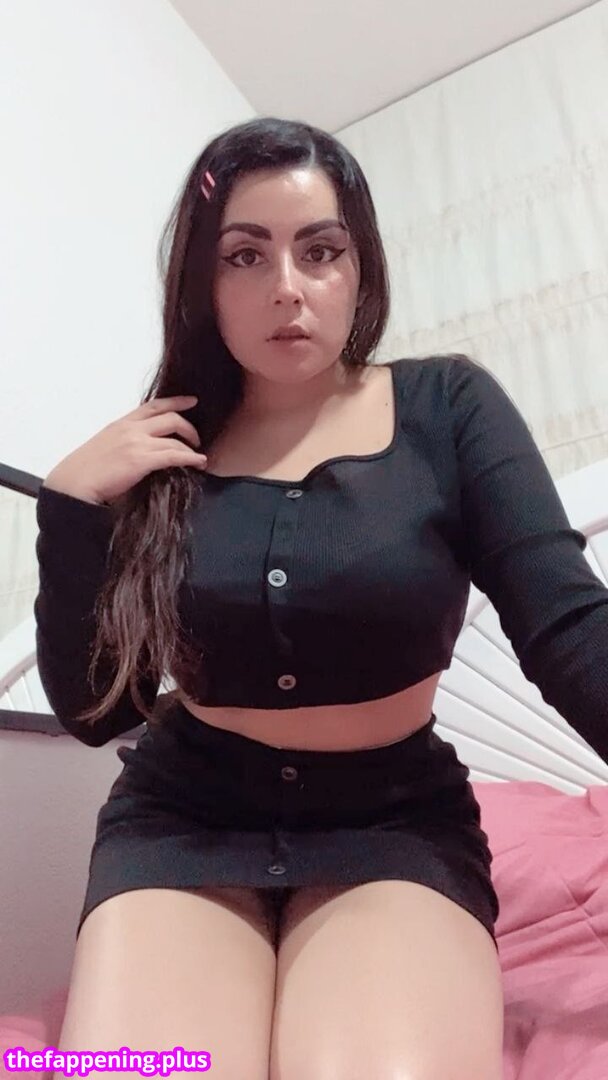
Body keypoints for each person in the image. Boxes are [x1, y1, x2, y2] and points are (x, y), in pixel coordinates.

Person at [34, 117, 608, 1079]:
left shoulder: (447, 410)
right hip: (183, 819)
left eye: (319, 250)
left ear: (360, 267)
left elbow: (569, 628)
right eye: (244, 256)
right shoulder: (162, 451)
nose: (286, 287)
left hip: (392, 823)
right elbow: (99, 714)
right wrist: (71, 511)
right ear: (201, 282)